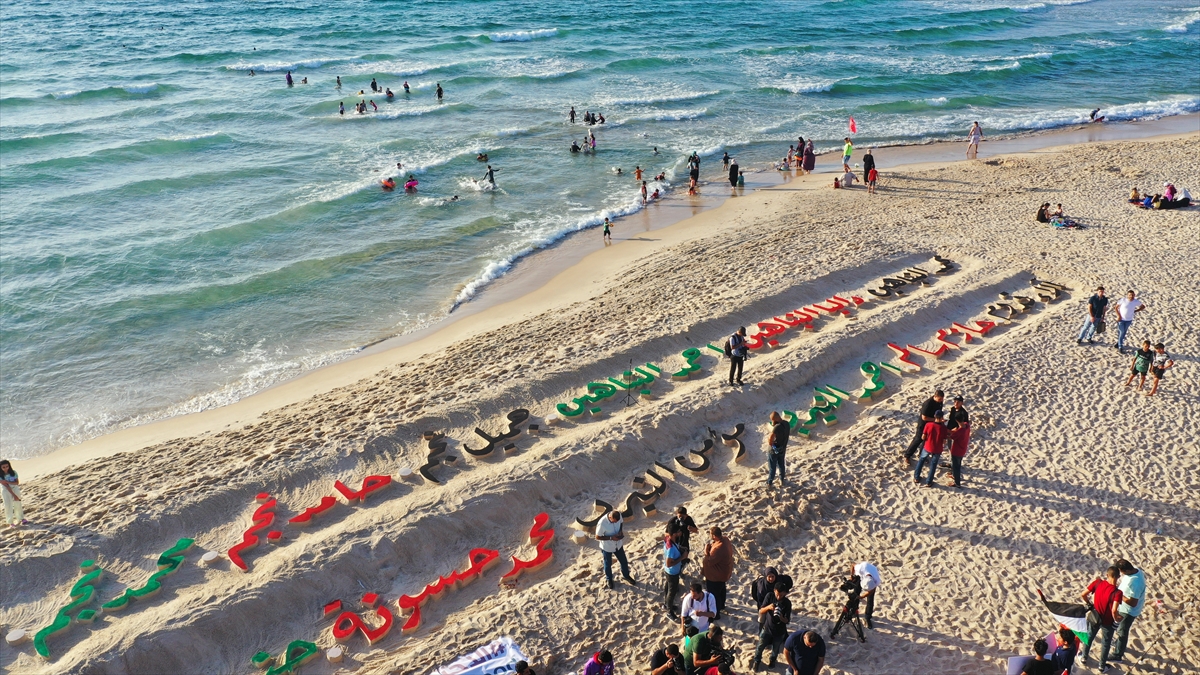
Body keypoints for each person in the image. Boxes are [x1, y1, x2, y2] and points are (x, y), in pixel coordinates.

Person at [1080, 565, 1123, 671]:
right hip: (1108, 621)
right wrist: (1117, 619)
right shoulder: (1117, 593)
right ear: (1118, 577)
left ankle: (1084, 657)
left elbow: (1083, 594)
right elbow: (1114, 610)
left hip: (1095, 616)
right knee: (1106, 643)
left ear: (1107, 575)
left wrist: (1089, 604)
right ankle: (1101, 666)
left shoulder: (1098, 582)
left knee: (1089, 636)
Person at [1111, 559, 1146, 664]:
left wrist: (1119, 595)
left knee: (1122, 632)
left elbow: (1133, 602)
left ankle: (1117, 655)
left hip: (1128, 611)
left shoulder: (1135, 583)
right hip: (1124, 608)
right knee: (1120, 629)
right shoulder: (1136, 571)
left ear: (1124, 570)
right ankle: (1118, 644)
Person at [753, 581, 792, 670]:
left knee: (776, 649)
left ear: (785, 593)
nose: (779, 597)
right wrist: (769, 607)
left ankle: (772, 660)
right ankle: (757, 661)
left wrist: (781, 617)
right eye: (777, 594)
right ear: (774, 591)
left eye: (781, 595)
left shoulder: (787, 603)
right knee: (760, 646)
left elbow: (787, 620)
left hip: (780, 631)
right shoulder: (769, 596)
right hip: (767, 627)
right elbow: (761, 610)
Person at [595, 510, 636, 589]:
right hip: (607, 547)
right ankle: (609, 579)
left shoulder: (618, 515)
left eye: (615, 522)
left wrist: (620, 531)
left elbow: (620, 522)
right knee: (608, 564)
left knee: (623, 561)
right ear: (610, 517)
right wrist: (611, 538)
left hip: (618, 545)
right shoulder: (602, 523)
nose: (614, 523)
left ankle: (626, 576)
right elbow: (597, 537)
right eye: (613, 521)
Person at [700, 527, 734, 619]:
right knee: (722, 590)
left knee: (714, 595)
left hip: (715, 576)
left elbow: (709, 561)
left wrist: (706, 551)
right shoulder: (725, 540)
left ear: (714, 536)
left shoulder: (718, 549)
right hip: (723, 573)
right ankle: (722, 606)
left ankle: (716, 614)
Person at [904, 390, 945, 460]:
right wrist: (935, 420)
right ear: (935, 396)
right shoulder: (928, 403)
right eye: (939, 399)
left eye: (942, 399)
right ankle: (907, 455)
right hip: (923, 424)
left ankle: (922, 455)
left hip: (931, 424)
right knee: (918, 439)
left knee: (926, 440)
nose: (941, 401)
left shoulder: (940, 402)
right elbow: (924, 417)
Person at [914, 410, 947, 487]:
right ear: (942, 417)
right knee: (933, 464)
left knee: (921, 460)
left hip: (928, 446)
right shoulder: (944, 428)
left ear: (934, 416)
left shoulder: (928, 425)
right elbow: (944, 441)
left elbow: (923, 437)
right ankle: (929, 481)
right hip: (937, 448)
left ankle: (916, 477)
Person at [944, 396, 970, 488]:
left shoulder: (964, 414)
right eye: (955, 401)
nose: (956, 403)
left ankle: (956, 480)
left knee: (956, 464)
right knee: (951, 453)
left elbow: (952, 436)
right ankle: (952, 466)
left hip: (957, 443)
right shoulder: (965, 426)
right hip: (960, 445)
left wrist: (946, 434)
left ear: (962, 403)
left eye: (958, 402)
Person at [852, 561, 881, 628]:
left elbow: (871, 591)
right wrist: (852, 575)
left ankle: (868, 617)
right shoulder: (860, 568)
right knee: (856, 593)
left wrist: (862, 596)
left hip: (871, 575)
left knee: (870, 600)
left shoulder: (876, 580)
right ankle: (853, 610)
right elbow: (852, 565)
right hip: (861, 574)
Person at [664, 529, 684, 619]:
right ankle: (669, 611)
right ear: (674, 534)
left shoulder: (668, 540)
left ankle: (667, 604)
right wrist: (682, 557)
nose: (680, 533)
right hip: (672, 572)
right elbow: (669, 564)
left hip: (669, 572)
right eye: (678, 531)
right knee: (672, 592)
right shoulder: (671, 548)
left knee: (668, 588)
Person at [766, 411, 789, 487]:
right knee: (781, 465)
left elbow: (770, 440)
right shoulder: (786, 423)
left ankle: (769, 483)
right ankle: (781, 480)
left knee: (772, 468)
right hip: (783, 448)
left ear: (774, 420)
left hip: (774, 450)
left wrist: (770, 442)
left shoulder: (777, 427)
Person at [1, 460, 25, 527]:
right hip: (6, 490)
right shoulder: (1, 476)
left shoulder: (14, 472)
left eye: (7, 466)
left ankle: (21, 518)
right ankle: (10, 522)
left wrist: (7, 482)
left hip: (15, 488)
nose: (6, 468)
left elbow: (17, 482)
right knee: (8, 506)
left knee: (18, 504)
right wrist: (14, 495)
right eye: (3, 467)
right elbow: (6, 486)